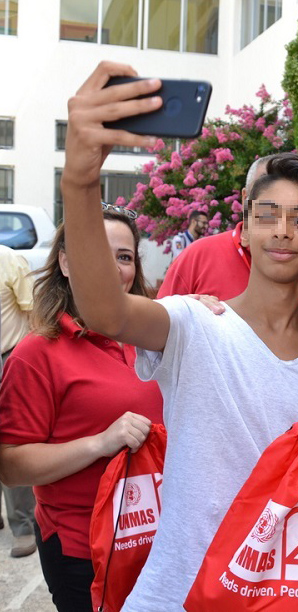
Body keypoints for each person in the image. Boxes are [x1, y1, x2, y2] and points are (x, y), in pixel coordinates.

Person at [57, 62, 298, 611]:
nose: (283, 232)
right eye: (267, 215)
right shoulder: (195, 324)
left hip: (277, 598)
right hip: (171, 594)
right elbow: (105, 310)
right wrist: (79, 179)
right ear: (242, 228)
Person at [0, 208, 164, 611]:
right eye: (97, 251)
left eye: (124, 256)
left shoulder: (153, 340)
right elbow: (11, 467)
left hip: (160, 541)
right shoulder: (36, 354)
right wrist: (99, 443)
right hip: (84, 550)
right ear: (66, 262)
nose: (112, 267)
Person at [157, 154, 298, 309]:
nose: (282, 231)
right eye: (269, 214)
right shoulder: (198, 256)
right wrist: (183, 315)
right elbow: (150, 334)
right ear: (246, 200)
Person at [0, 244, 37, 558]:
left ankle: (24, 526)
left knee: (10, 443)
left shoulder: (8, 259)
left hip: (7, 359)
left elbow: (33, 310)